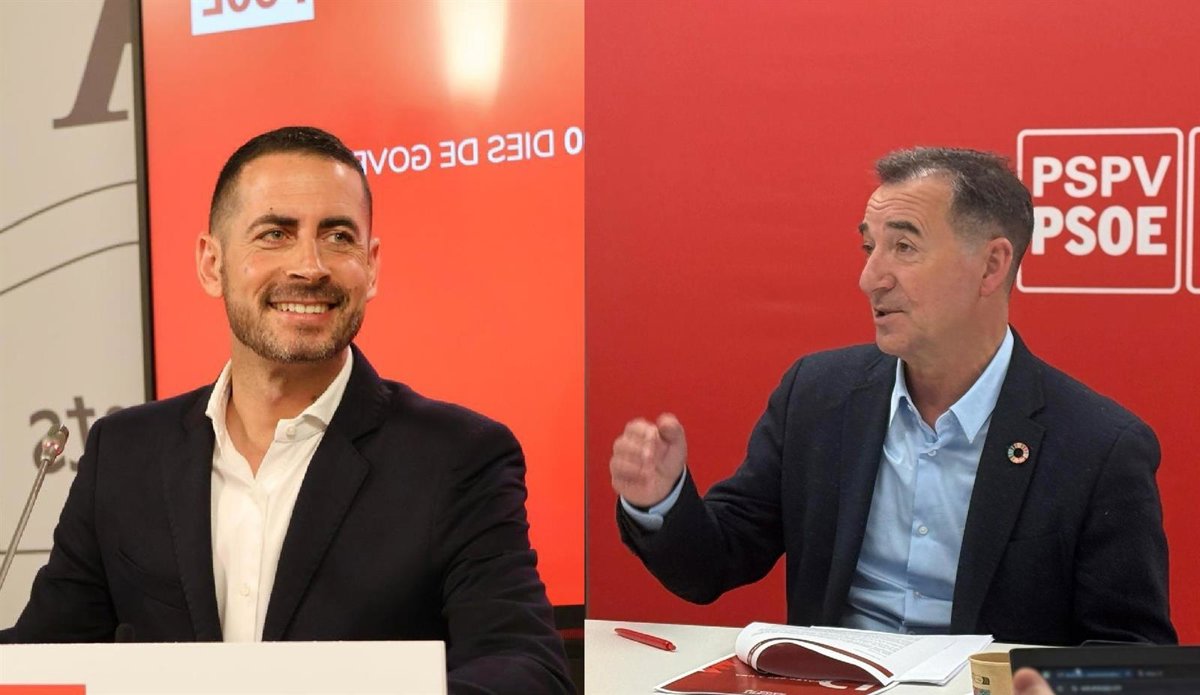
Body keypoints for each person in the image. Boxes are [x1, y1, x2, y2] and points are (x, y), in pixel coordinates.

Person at [1, 126, 573, 695]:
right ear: (211, 263)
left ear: (371, 266)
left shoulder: (457, 457)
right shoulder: (123, 454)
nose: (310, 266)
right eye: (275, 234)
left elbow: (526, 667)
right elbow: (44, 658)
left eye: (338, 236)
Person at [610, 147, 1175, 646]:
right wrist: (660, 502)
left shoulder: (1099, 446)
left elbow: (1130, 657)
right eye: (868, 247)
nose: (870, 278)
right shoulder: (817, 395)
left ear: (991, 265)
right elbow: (715, 563)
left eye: (904, 246)